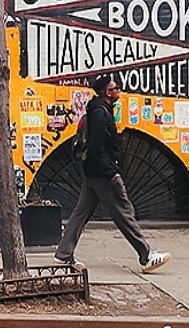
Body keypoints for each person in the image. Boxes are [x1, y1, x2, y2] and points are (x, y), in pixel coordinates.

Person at [54, 75, 171, 273]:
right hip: (102, 173)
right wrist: (111, 172)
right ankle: (146, 256)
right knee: (123, 213)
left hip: (93, 172)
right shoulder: (100, 114)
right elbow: (97, 148)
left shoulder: (98, 110)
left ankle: (63, 255)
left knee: (80, 213)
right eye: (116, 88)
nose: (119, 91)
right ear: (108, 92)